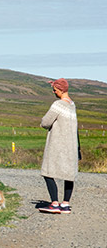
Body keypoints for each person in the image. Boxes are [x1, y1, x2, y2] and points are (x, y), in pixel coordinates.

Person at [38, 78, 78, 214]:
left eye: (54, 90)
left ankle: (54, 203)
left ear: (60, 90)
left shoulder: (58, 104)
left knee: (47, 171)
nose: (54, 92)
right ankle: (65, 204)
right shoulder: (72, 105)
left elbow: (45, 122)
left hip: (57, 144)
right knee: (69, 174)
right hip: (71, 145)